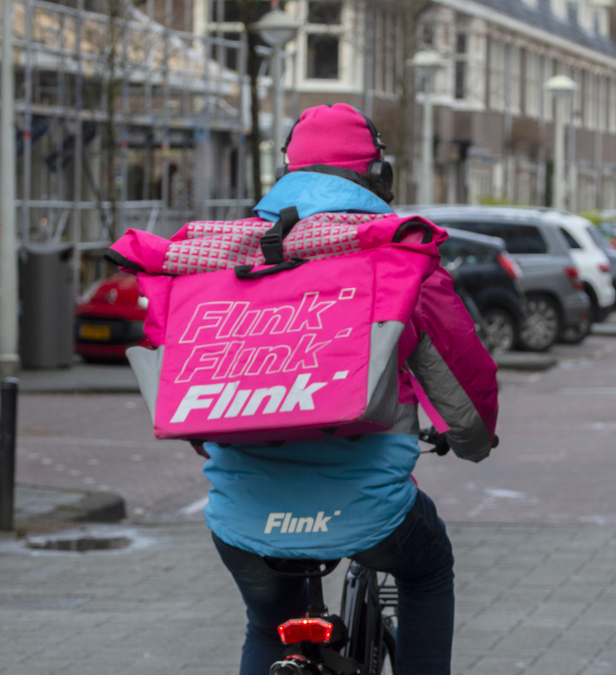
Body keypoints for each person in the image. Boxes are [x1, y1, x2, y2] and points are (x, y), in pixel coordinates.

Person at [202, 103, 499, 675]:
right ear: (378, 178)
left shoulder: (226, 258)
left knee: (269, 624)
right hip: (368, 509)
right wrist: (473, 442)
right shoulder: (398, 258)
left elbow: (196, 394)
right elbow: (463, 390)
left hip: (241, 515)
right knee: (428, 569)